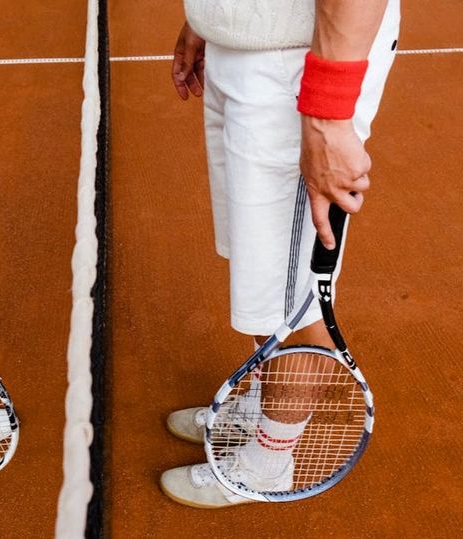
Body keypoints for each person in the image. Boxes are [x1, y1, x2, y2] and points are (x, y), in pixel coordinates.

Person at [160, 0, 400, 508]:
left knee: (292, 298)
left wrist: (328, 115)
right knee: (260, 265)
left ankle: (268, 464)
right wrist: (212, 19)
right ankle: (261, 406)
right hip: (250, 47)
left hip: (297, 70)